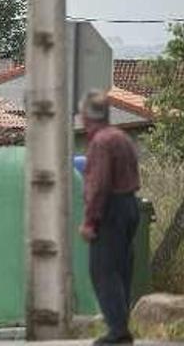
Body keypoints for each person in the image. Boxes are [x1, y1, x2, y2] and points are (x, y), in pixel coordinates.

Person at [79, 90, 141, 345]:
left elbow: (100, 185)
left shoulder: (101, 142)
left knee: (103, 270)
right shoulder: (121, 137)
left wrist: (90, 220)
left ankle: (117, 331)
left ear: (86, 116)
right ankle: (120, 326)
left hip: (111, 209)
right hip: (130, 204)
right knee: (121, 269)